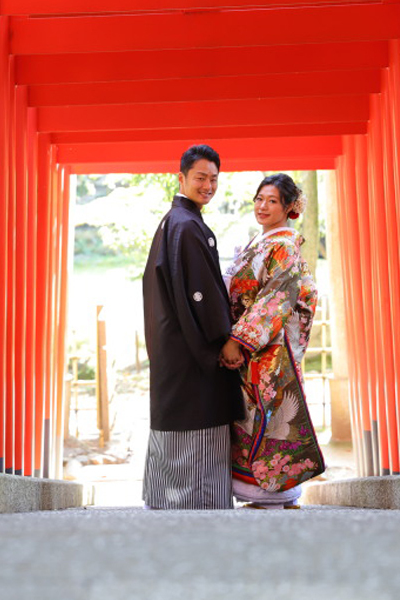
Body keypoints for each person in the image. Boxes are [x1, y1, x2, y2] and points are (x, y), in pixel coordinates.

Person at [141, 145, 244, 510]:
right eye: (200, 177)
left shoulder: (177, 222)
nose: (208, 185)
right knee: (198, 449)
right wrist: (224, 340)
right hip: (193, 357)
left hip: (174, 353)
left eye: (214, 178)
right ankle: (198, 525)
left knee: (176, 445)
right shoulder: (186, 226)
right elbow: (202, 295)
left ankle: (167, 509)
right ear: (181, 176)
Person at [220, 173, 325, 509]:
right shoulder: (262, 241)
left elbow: (276, 299)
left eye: (273, 201)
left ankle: (274, 493)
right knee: (254, 419)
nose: (263, 206)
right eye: (259, 199)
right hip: (258, 345)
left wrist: (240, 340)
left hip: (270, 347)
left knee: (271, 418)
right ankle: (268, 492)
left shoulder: (283, 246)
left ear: (289, 207)